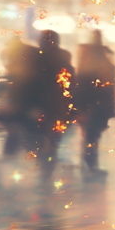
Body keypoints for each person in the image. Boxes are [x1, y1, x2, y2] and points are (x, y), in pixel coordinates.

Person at [27, 30, 75, 174]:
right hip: (59, 107)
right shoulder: (64, 58)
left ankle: (44, 166)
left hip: (39, 107)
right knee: (53, 141)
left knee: (40, 140)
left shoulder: (35, 59)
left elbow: (29, 83)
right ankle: (47, 169)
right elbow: (71, 84)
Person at [74, 30, 115, 175]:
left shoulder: (86, 63)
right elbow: (110, 88)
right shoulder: (105, 64)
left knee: (89, 134)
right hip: (98, 106)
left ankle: (88, 162)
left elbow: (80, 86)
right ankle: (90, 163)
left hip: (88, 106)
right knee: (92, 135)